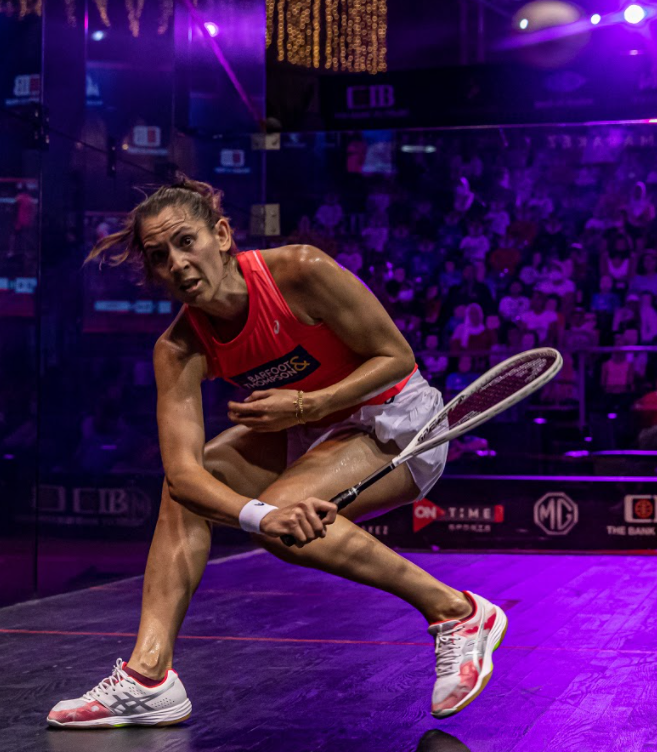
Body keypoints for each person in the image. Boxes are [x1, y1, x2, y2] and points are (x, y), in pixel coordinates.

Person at [49, 178, 505, 728]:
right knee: (190, 489)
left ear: (221, 235)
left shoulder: (299, 271)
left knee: (284, 522)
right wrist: (260, 515)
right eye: (160, 256)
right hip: (308, 429)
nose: (178, 263)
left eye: (186, 241)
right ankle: (150, 676)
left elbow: (395, 356)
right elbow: (185, 475)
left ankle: (457, 611)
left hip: (395, 417)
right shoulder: (178, 349)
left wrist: (310, 405)